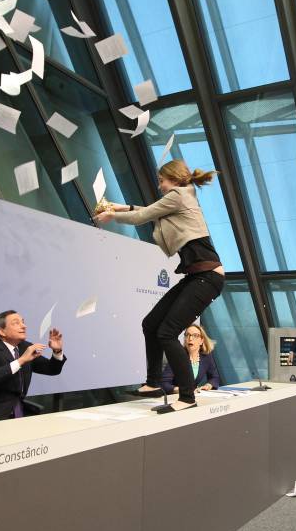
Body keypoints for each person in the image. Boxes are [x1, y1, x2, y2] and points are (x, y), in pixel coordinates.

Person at [94, 159, 225, 413]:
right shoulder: (181, 196)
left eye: (161, 180)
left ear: (173, 179)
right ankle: (153, 383)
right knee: (151, 324)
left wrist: (113, 215)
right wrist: (121, 206)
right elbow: (152, 210)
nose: (160, 185)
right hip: (197, 276)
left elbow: (145, 215)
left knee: (167, 331)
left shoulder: (179, 194)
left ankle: (187, 397)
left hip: (208, 277)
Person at [0, 310, 66, 422]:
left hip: (20, 409)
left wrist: (57, 351)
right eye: (16, 323)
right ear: (2, 331)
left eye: (23, 322)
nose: (24, 326)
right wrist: (21, 360)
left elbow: (52, 369)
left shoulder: (24, 347)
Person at [161, 324, 220, 394]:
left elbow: (214, 377)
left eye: (195, 335)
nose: (190, 338)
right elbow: (163, 383)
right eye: (187, 335)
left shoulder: (206, 356)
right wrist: (181, 390)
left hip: (193, 396)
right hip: (175, 396)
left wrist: (208, 385)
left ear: (201, 340)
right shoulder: (177, 356)